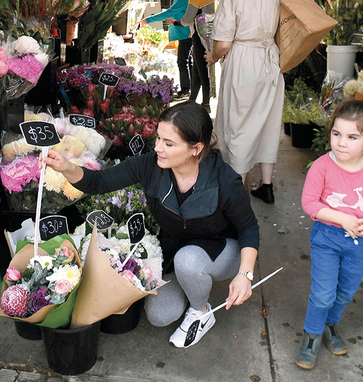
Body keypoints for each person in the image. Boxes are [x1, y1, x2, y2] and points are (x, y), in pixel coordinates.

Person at [43, 102, 259, 349]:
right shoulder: (150, 166)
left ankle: (201, 312)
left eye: (169, 143)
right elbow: (98, 182)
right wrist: (67, 167)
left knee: (189, 261)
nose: (157, 148)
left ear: (196, 149)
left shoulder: (225, 181)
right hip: (176, 249)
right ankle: (192, 282)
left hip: (222, 249)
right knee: (159, 315)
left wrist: (245, 275)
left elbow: (249, 229)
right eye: (158, 138)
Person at [296, 98, 363, 370]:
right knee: (323, 293)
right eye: (336, 134)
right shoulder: (322, 166)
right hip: (327, 240)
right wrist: (342, 218)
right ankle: (311, 336)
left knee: (344, 292)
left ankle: (330, 325)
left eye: (352, 137)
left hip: (360, 244)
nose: (341, 143)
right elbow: (309, 203)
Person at [204, 0, 284, 204]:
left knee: (239, 124)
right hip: (271, 60)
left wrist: (212, 57)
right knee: (268, 122)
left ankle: (237, 191)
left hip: (243, 62)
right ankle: (267, 186)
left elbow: (224, 43)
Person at [140, 0, 193, 100]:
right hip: (185, 33)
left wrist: (148, 20)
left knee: (183, 62)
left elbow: (169, 13)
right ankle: (189, 90)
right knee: (187, 61)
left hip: (186, 34)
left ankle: (186, 91)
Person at [167, 0, 215, 112]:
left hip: (199, 37)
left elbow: (187, 19)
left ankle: (205, 103)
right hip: (207, 36)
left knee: (201, 70)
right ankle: (192, 99)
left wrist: (175, 22)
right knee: (197, 69)